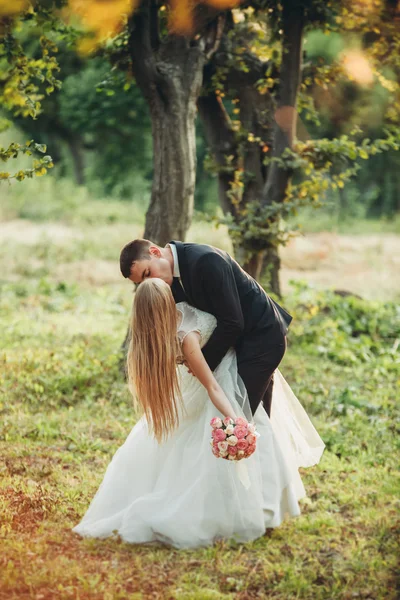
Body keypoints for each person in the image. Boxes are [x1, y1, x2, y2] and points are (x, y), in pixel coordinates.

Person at [73, 279, 324, 549]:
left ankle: (264, 509)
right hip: (220, 381)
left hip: (233, 371)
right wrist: (236, 418)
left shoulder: (183, 307)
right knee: (207, 452)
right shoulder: (185, 336)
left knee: (195, 447)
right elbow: (212, 386)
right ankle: (237, 513)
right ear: (164, 303)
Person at [119, 239, 292, 417]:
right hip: (235, 345)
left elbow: (232, 322)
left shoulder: (206, 261)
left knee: (239, 417)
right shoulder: (168, 280)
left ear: (155, 252)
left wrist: (203, 364)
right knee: (254, 417)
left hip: (262, 339)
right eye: (143, 281)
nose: (150, 282)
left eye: (148, 273)